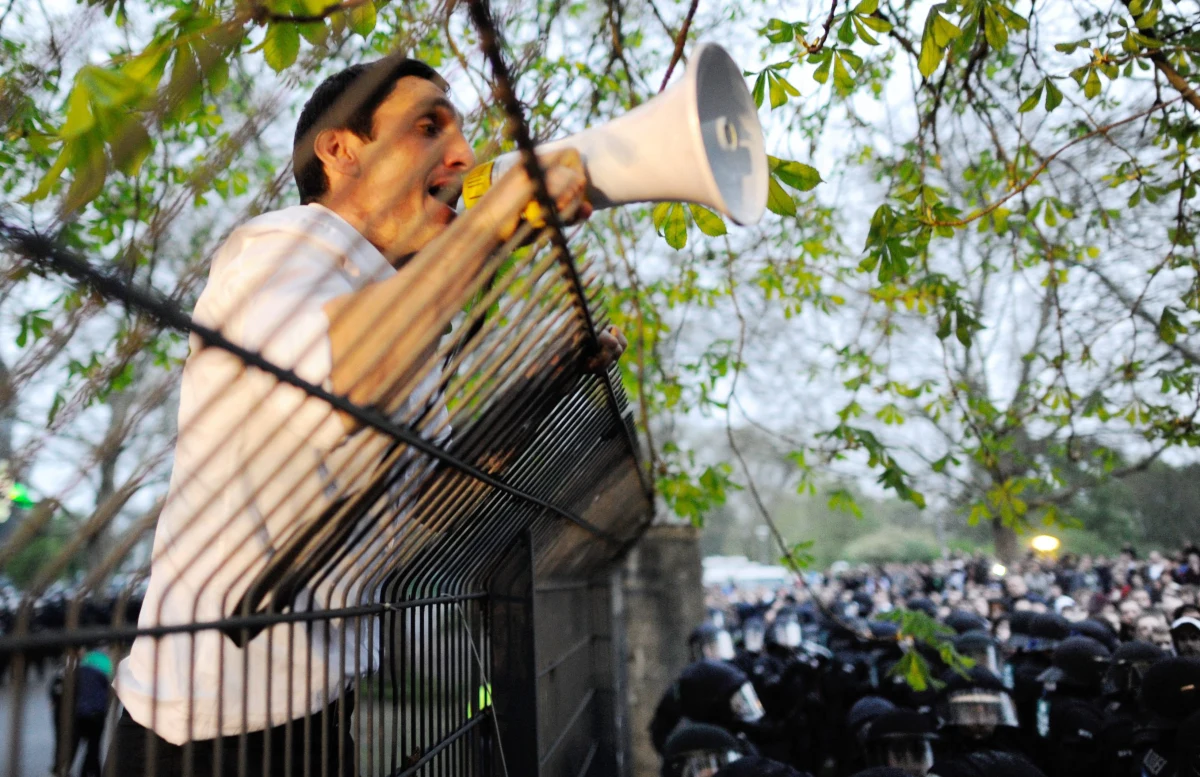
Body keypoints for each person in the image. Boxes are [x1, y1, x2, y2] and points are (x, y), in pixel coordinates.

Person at [108, 55, 624, 775]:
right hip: (206, 736)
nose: (464, 156)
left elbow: (432, 509)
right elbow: (344, 376)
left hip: (317, 710)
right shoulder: (284, 246)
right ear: (340, 150)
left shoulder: (393, 310)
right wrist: (499, 217)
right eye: (427, 126)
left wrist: (543, 388)